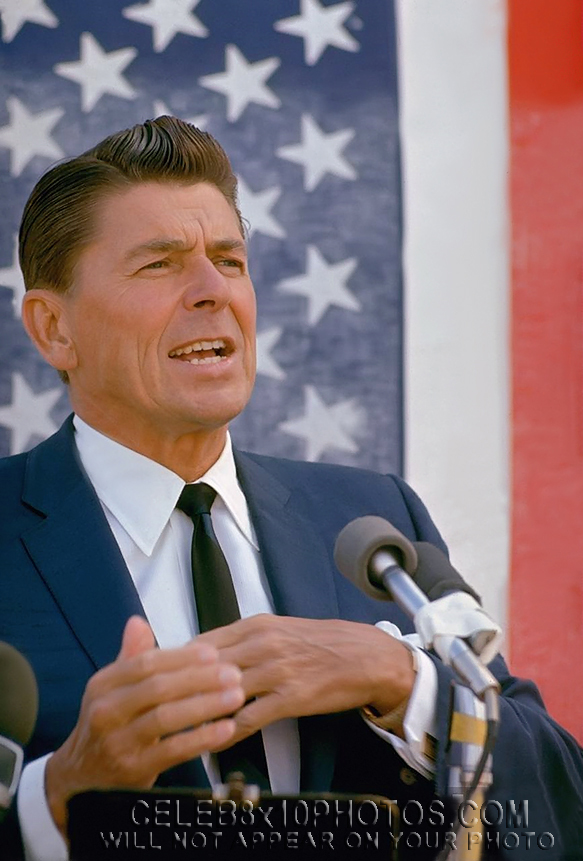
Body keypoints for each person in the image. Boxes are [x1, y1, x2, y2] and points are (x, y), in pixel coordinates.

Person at [1, 116, 581, 861]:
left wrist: (401, 680)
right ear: (53, 329)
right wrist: (56, 799)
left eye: (230, 260)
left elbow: (559, 806)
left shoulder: (372, 521)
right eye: (160, 264)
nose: (213, 291)